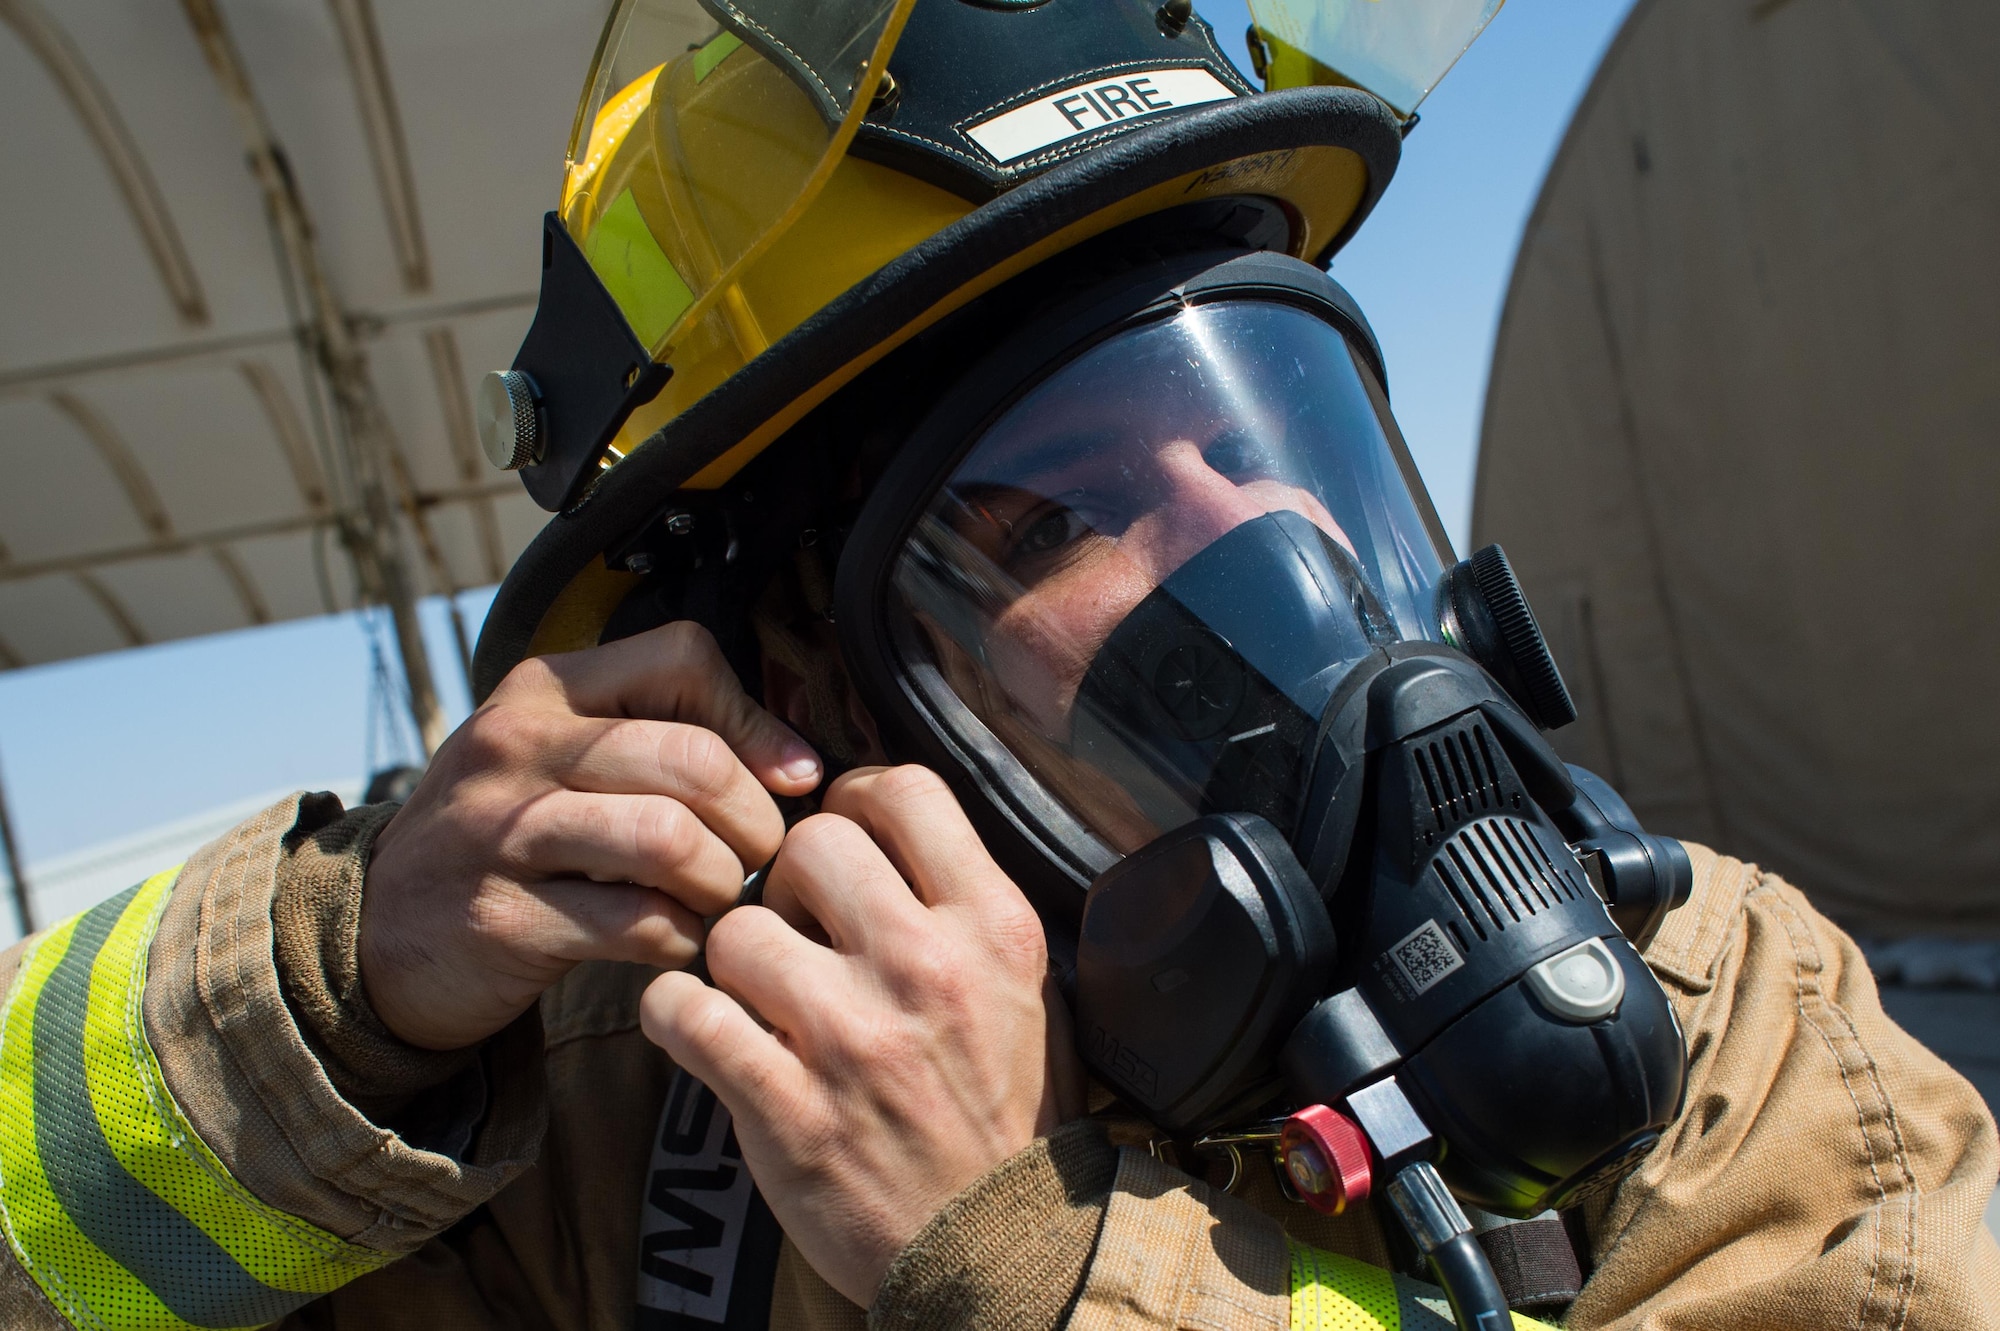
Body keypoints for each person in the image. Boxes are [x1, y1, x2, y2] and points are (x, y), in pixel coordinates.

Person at [2, 3, 1996, 1330]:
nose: (1261, 539)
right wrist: (336, 998)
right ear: (801, 677)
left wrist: (1045, 1270)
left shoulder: (1720, 1018)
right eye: (1052, 519)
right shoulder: (643, 1095)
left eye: (1266, 436)